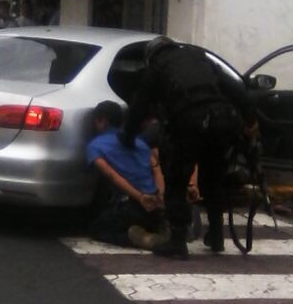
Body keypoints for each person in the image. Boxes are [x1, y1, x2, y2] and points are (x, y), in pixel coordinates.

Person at [122, 36, 259, 259]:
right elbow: (236, 89)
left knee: (176, 180)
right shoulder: (199, 57)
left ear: (152, 55)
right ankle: (216, 235)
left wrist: (127, 136)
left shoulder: (157, 67)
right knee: (213, 178)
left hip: (189, 123)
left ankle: (177, 241)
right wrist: (251, 121)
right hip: (223, 121)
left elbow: (139, 106)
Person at [86, 100, 168, 249]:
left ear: (102, 121)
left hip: (133, 205)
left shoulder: (96, 145)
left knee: (96, 229)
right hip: (155, 204)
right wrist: (160, 195)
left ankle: (134, 238)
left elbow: (111, 174)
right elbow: (156, 169)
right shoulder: (140, 142)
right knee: (148, 217)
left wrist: (140, 197)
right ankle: (158, 228)